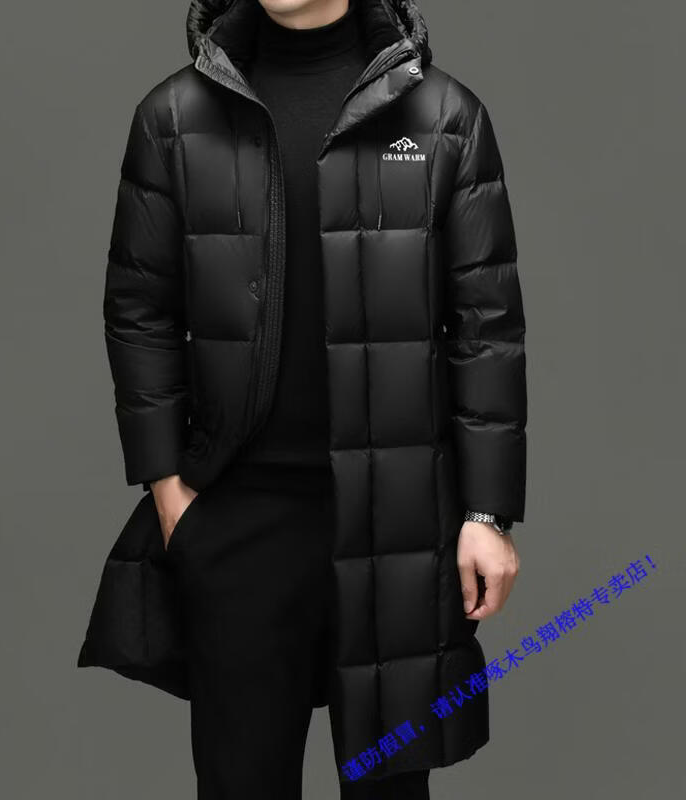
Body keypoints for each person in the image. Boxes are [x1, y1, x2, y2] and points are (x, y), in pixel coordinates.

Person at [78, 1, 527, 798]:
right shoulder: (172, 117)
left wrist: (487, 514)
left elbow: (485, 327)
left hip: (400, 523)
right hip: (237, 518)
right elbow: (138, 310)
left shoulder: (444, 117)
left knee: (389, 784)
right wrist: (170, 494)